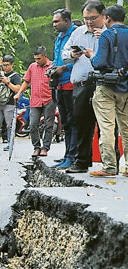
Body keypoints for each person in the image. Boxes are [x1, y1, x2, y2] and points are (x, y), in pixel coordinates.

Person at [62, 0, 106, 174]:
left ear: (103, 16)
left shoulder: (109, 33)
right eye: (86, 18)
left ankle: (109, 163)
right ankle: (81, 161)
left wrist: (103, 38)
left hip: (103, 85)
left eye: (93, 18)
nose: (89, 22)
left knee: (107, 126)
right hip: (81, 85)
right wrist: (73, 54)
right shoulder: (77, 33)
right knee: (81, 123)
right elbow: (64, 54)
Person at [85, 4, 128, 177]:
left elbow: (99, 62)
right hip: (125, 88)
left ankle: (109, 167)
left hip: (106, 87)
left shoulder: (107, 34)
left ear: (107, 18)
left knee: (107, 127)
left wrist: (90, 55)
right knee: (126, 128)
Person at [14, 46, 55, 157]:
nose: (37, 61)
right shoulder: (32, 67)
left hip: (49, 99)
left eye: (39, 59)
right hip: (35, 100)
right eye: (35, 59)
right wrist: (18, 93)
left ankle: (45, 148)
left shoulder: (53, 66)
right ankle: (36, 147)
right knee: (32, 125)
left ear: (45, 56)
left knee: (49, 125)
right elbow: (26, 81)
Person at [51, 8, 78, 169]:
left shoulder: (76, 35)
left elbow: (79, 58)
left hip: (72, 83)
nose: (54, 24)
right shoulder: (59, 38)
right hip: (59, 84)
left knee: (73, 121)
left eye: (57, 21)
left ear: (67, 21)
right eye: (53, 21)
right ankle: (67, 155)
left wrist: (64, 68)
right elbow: (57, 59)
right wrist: (53, 68)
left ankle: (73, 156)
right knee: (65, 122)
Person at [0, 55, 22, 151]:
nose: (5, 67)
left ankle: (10, 144)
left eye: (7, 65)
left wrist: (7, 82)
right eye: (4, 65)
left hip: (9, 103)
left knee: (9, 125)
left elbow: (18, 89)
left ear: (12, 65)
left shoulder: (15, 76)